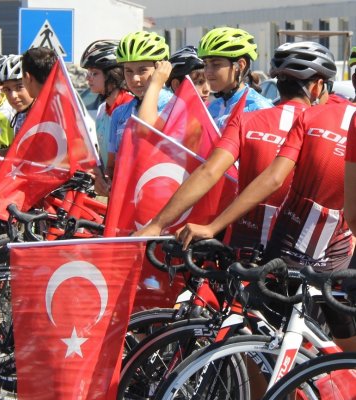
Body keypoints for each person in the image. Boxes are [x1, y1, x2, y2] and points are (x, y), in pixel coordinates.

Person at [137, 41, 339, 253]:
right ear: (317, 86)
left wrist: (156, 224)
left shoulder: (246, 119)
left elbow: (208, 172)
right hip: (310, 250)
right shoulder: (328, 127)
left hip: (243, 244)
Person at [101, 31, 172, 194]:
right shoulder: (120, 113)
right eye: (129, 71)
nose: (135, 79)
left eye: (143, 70)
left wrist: (155, 84)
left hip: (162, 197)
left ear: (161, 69)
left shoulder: (175, 106)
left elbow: (145, 130)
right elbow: (112, 166)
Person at [198, 27, 273, 127]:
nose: (208, 71)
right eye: (205, 64)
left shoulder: (259, 109)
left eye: (216, 64)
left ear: (240, 65)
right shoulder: (212, 108)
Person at [80, 40, 134, 167]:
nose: (88, 78)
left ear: (112, 75)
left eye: (94, 73)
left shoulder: (131, 109)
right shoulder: (101, 109)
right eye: (88, 73)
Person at [0, 54, 33, 135]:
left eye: (19, 87)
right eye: (7, 89)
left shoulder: (47, 116)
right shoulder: (19, 116)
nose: (13, 96)